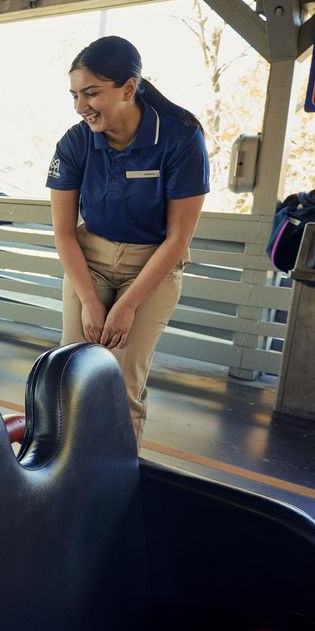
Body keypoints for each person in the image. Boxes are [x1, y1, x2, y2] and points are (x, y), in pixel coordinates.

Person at [46, 36, 209, 445]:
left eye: (91, 93)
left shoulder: (181, 137)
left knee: (121, 382)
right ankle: (64, 477)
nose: (81, 106)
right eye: (75, 95)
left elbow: (178, 238)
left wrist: (128, 305)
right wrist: (88, 300)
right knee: (71, 373)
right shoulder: (75, 141)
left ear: (129, 88)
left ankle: (119, 484)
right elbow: (64, 231)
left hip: (153, 262)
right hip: (91, 259)